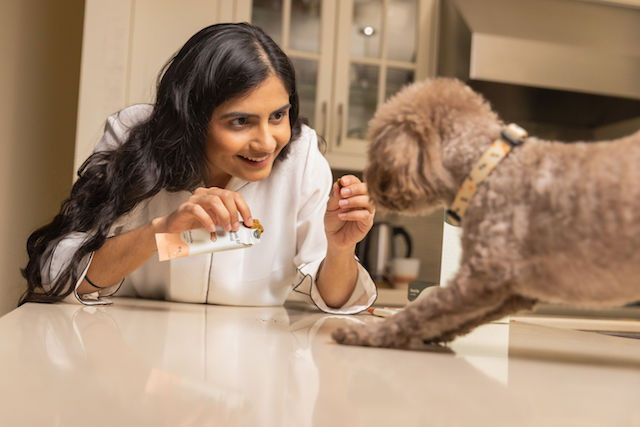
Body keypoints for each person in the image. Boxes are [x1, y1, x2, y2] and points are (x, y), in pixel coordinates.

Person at [21, 22, 377, 313]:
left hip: (252, 371)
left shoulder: (301, 156)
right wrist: (164, 230)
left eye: (278, 115)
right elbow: (57, 273)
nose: (267, 142)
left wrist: (340, 247)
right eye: (240, 121)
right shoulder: (134, 136)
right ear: (192, 118)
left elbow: (335, 298)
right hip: (133, 359)